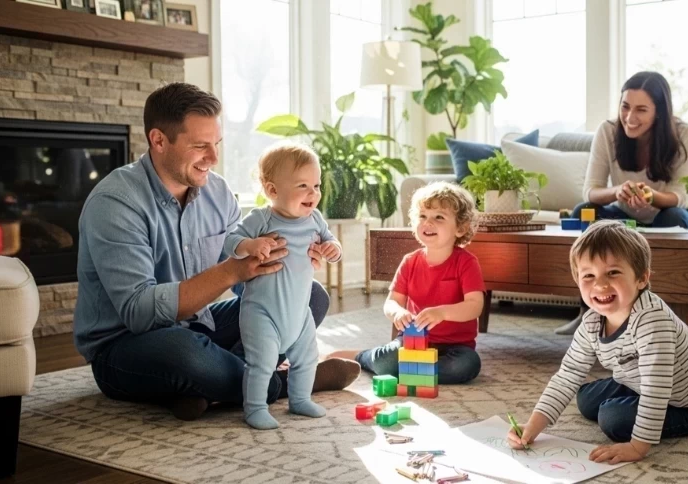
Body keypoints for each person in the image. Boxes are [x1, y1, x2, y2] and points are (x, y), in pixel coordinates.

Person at [73, 82, 360, 421]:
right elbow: (138, 312)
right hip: (127, 346)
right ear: (159, 140)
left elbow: (247, 284)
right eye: (200, 146)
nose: (214, 158)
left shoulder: (218, 191)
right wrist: (232, 269)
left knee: (311, 296)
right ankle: (281, 382)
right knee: (185, 354)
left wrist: (287, 266)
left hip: (202, 325)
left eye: (217, 144)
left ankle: (205, 388)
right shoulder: (116, 203)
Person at [507, 221, 688, 464]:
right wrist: (533, 426)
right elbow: (568, 373)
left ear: (641, 278)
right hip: (637, 381)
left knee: (611, 418)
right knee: (585, 399)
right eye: (588, 275)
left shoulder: (652, 321)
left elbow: (656, 389)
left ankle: (629, 415)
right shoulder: (592, 321)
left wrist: (638, 447)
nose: (600, 284)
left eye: (612, 273)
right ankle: (622, 403)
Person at [557, 71, 688, 335]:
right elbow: (591, 191)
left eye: (641, 110)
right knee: (583, 212)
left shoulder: (682, 134)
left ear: (659, 111)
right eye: (625, 107)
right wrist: (618, 191)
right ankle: (589, 312)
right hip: (621, 218)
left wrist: (650, 196)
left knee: (672, 219)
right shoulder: (608, 131)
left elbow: (681, 195)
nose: (630, 118)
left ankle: (655, 317)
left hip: (669, 213)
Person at [224, 143, 341, 430]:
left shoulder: (314, 219)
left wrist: (332, 249)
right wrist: (251, 245)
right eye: (303, 185)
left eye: (316, 185)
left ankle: (299, 400)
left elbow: (331, 240)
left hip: (299, 312)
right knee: (261, 362)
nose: (313, 193)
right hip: (262, 312)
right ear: (272, 190)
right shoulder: (261, 218)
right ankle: (254, 408)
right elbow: (230, 242)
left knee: (308, 356)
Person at [327, 182, 485, 384]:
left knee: (466, 365)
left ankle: (410, 371)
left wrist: (442, 313)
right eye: (422, 216)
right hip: (413, 341)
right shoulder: (410, 261)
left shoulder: (466, 262)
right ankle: (364, 357)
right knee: (386, 361)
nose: (428, 223)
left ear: (460, 228)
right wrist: (397, 313)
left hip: (456, 346)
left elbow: (474, 306)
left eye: (439, 217)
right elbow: (391, 302)